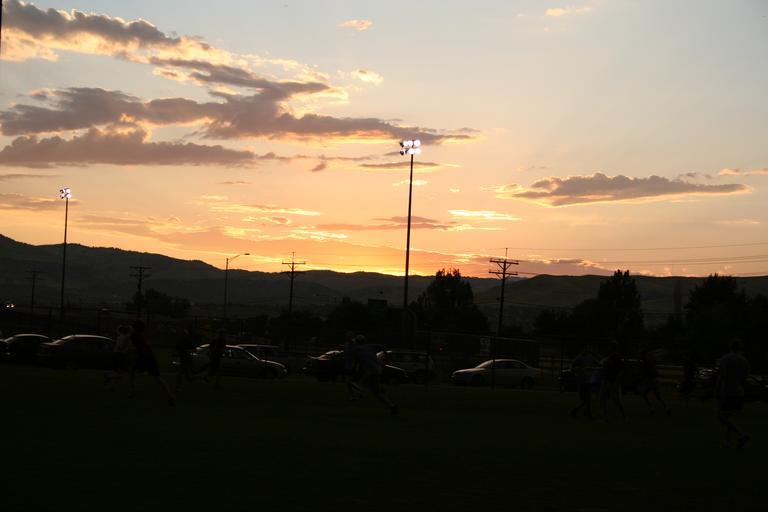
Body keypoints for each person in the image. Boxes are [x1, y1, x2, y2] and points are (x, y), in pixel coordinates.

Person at [347, 335, 398, 415]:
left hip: (371, 370)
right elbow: (382, 346)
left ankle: (360, 391)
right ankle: (392, 406)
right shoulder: (370, 346)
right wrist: (386, 356)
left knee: (353, 383)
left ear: (356, 342)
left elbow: (351, 357)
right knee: (376, 393)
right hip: (377, 369)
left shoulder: (356, 349)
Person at [129, 320, 174, 406]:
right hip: (150, 357)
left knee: (132, 372)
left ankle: (132, 391)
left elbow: (132, 342)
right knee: (158, 377)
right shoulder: (142, 335)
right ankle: (169, 395)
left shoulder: (134, 335)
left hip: (144, 357)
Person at [715, 339, 750, 448]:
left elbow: (722, 376)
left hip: (727, 391)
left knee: (721, 416)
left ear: (730, 347)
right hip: (739, 391)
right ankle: (728, 441)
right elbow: (745, 377)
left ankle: (741, 434)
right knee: (729, 417)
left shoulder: (725, 359)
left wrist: (717, 390)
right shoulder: (744, 360)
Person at [569, 348, 599, 420]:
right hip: (582, 381)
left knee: (586, 399)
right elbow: (573, 367)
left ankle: (586, 414)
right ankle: (577, 411)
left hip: (587, 381)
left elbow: (597, 364)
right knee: (585, 400)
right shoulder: (579, 358)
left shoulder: (590, 357)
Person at [641, 351, 671, 416]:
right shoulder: (651, 363)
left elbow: (647, 373)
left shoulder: (647, 364)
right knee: (658, 396)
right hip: (654, 380)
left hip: (651, 381)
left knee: (645, 394)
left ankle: (652, 408)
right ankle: (666, 407)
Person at [599, 352, 626, 422]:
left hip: (609, 382)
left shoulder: (611, 363)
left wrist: (615, 382)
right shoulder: (615, 363)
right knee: (604, 399)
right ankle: (605, 417)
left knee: (613, 399)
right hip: (608, 381)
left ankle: (622, 415)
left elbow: (605, 372)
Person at [104, 325, 132, 391]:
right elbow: (120, 346)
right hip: (120, 355)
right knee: (120, 372)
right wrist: (125, 348)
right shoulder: (125, 337)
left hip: (116, 354)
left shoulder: (120, 336)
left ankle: (112, 386)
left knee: (117, 372)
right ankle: (109, 377)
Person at [174, 328, 197, 393]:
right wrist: (176, 355)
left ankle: (180, 387)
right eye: (182, 334)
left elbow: (195, 350)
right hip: (183, 359)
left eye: (184, 334)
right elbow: (177, 350)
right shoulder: (180, 341)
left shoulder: (189, 341)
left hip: (187, 360)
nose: (182, 335)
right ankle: (179, 387)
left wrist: (188, 351)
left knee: (182, 374)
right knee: (186, 376)